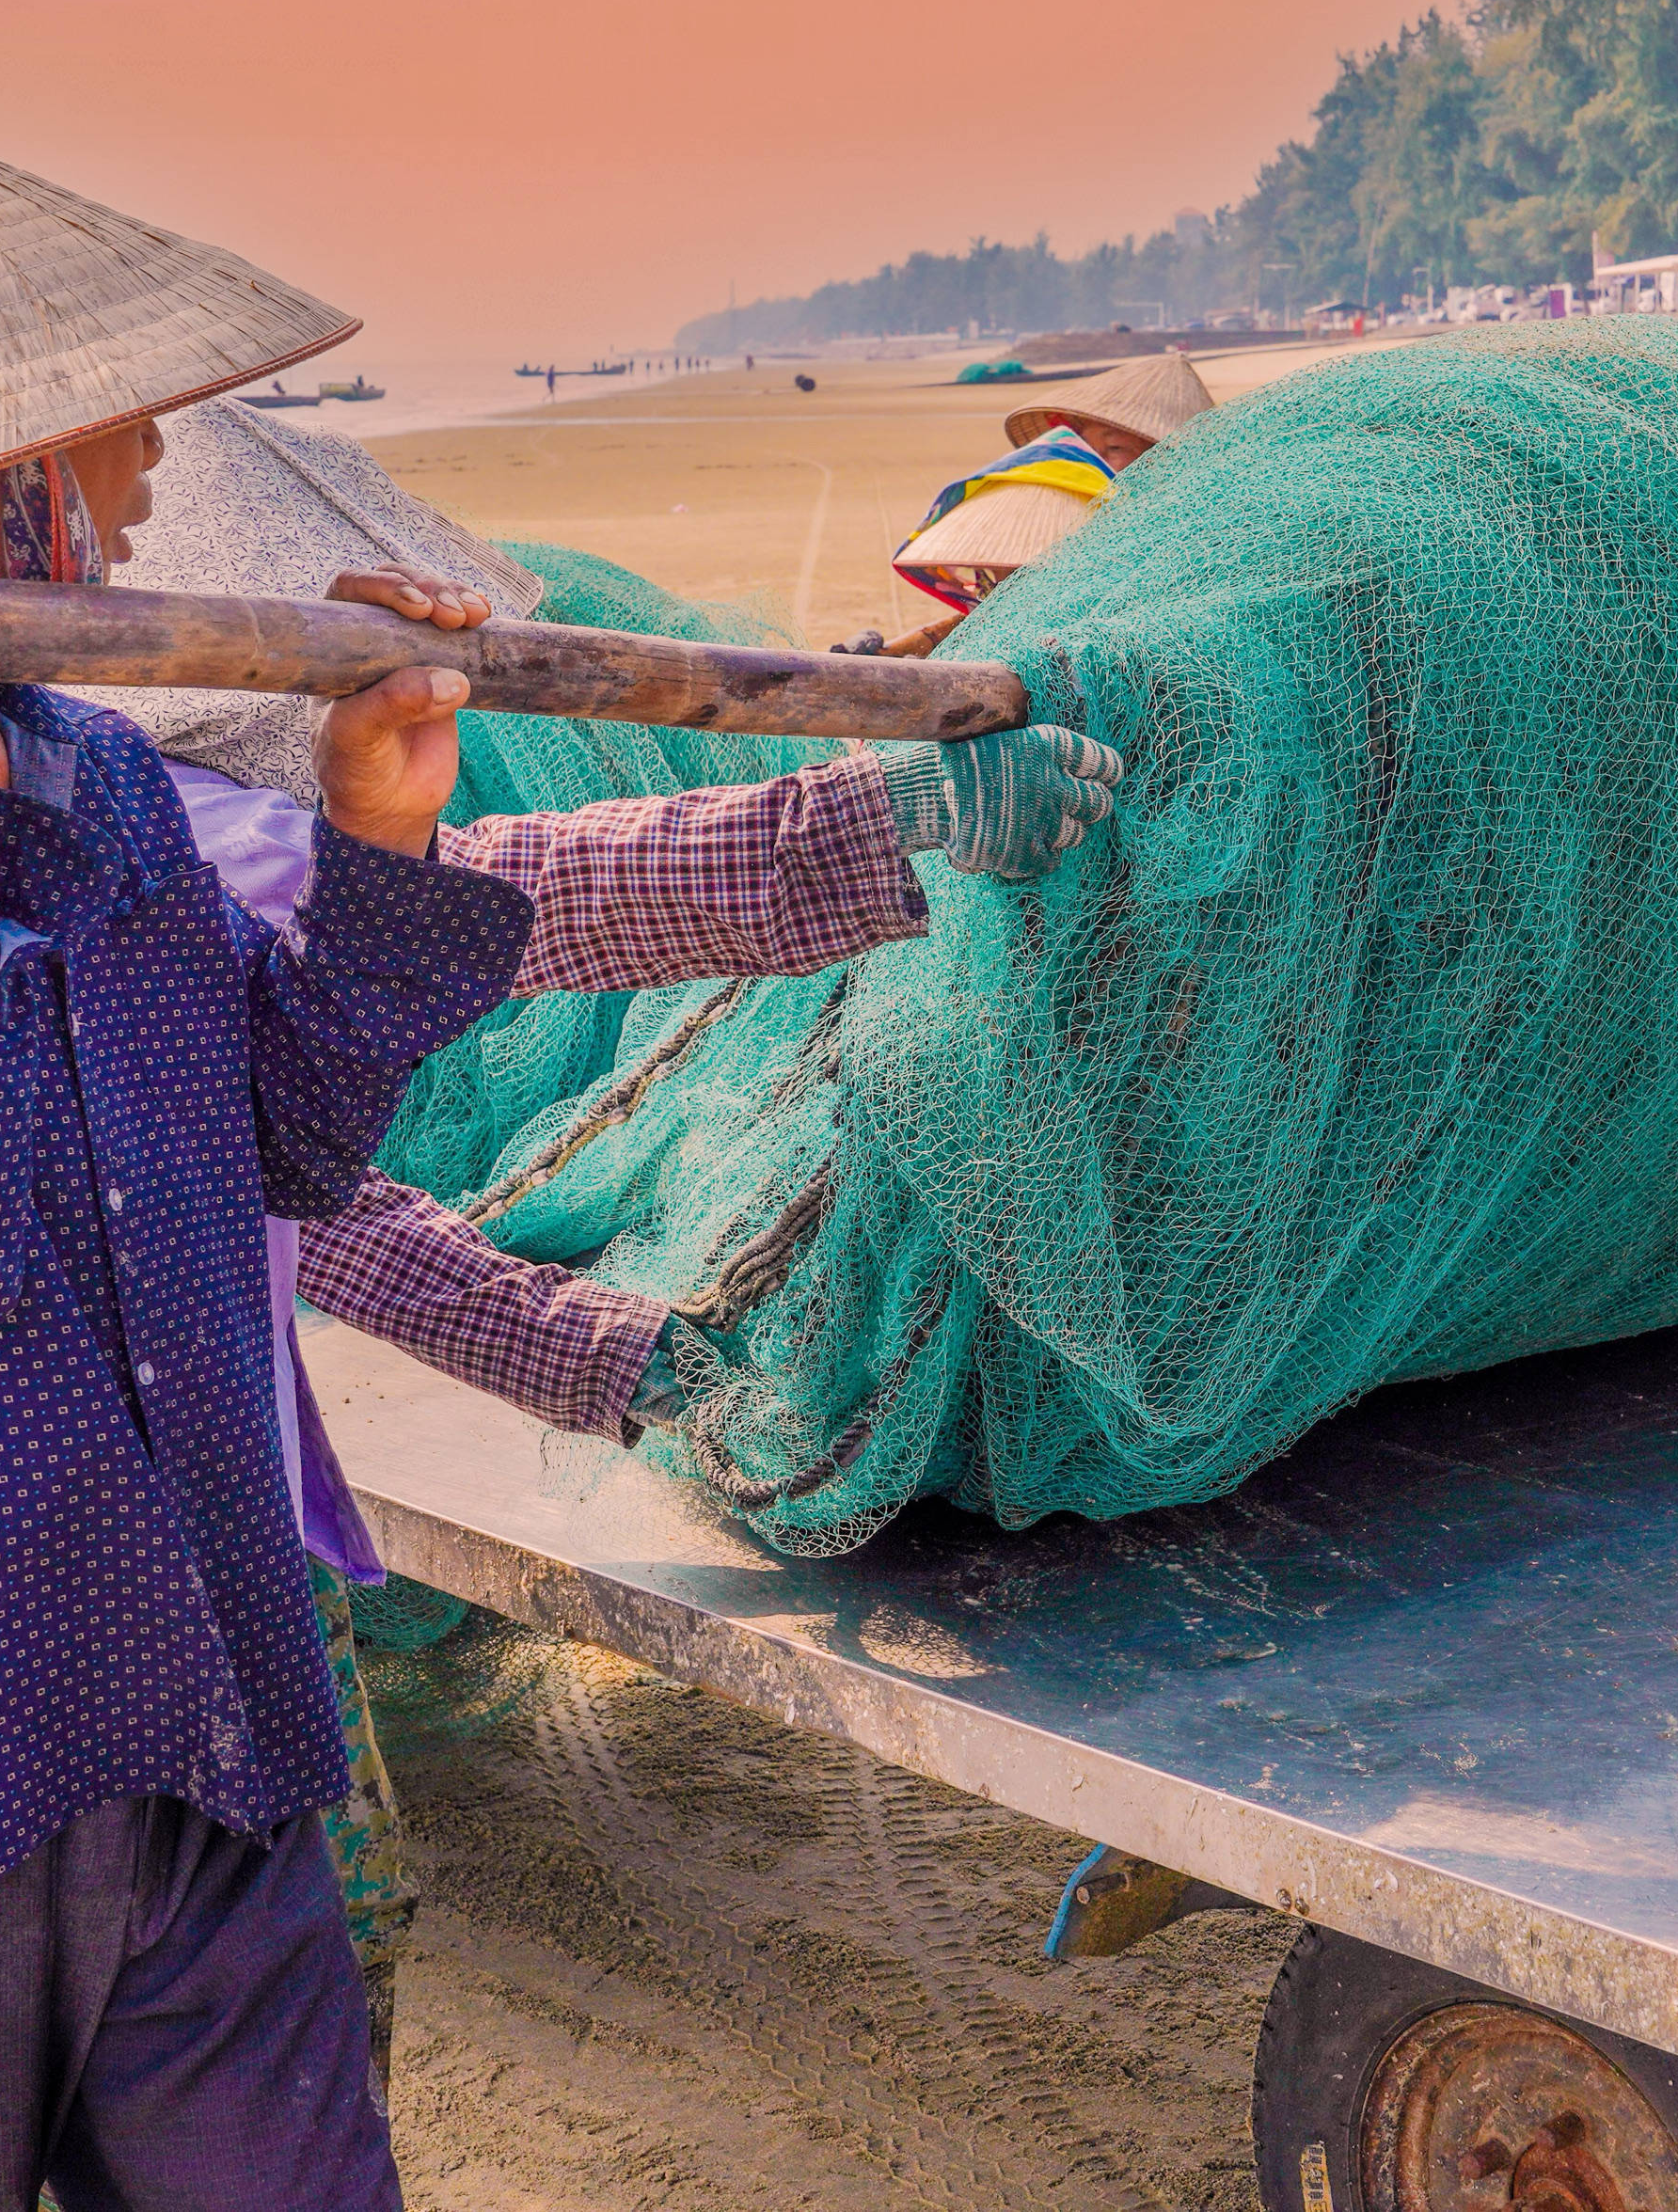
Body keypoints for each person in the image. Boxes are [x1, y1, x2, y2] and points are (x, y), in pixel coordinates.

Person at [0, 116, 1119, 2211]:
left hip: (199, 1704)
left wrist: (376, 829)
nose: (145, 485)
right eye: (100, 443)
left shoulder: (89, 769)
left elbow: (273, 1134)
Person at [90, 394, 1119, 2078]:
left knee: (299, 1987)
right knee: (234, 2025)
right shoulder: (151, 846)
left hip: (229, 1558)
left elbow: (301, 1201)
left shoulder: (167, 854)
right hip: (83, 1606)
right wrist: (886, 823)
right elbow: (529, 906)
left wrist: (606, 1356)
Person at [851, 352, 1216, 656]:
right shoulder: (1052, 506)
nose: (1096, 461)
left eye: (1117, 449)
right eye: (1092, 447)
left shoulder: (1188, 540)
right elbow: (998, 611)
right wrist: (889, 658)